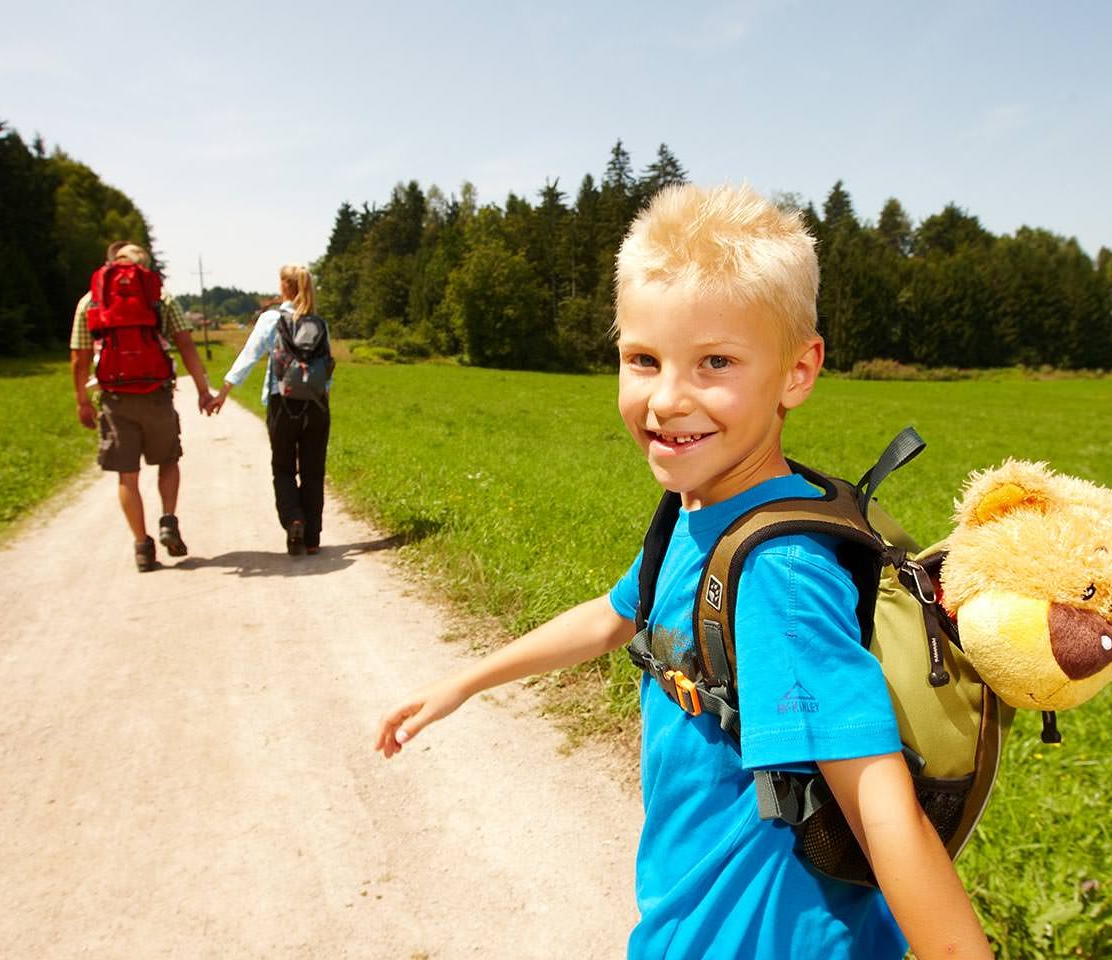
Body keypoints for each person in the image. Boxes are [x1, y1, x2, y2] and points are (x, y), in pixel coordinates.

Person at [373, 185, 992, 959]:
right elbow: (614, 614)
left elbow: (876, 800)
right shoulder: (704, 518)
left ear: (797, 373)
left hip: (758, 937)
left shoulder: (777, 571)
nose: (666, 399)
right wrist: (465, 681)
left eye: (716, 362)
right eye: (643, 359)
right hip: (689, 909)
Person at [70, 241, 217, 572]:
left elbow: (79, 358)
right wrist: (202, 389)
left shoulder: (90, 300)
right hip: (157, 395)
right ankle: (168, 520)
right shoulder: (159, 297)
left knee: (127, 476)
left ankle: (141, 546)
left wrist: (82, 401)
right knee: (168, 460)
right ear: (144, 267)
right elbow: (186, 345)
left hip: (115, 398)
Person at [209, 265, 333, 556]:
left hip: (283, 405)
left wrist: (224, 392)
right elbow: (328, 371)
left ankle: (294, 520)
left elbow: (248, 356)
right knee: (313, 472)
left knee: (284, 468)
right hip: (316, 406)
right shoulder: (320, 323)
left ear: (284, 288)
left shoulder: (271, 319)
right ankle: (313, 539)